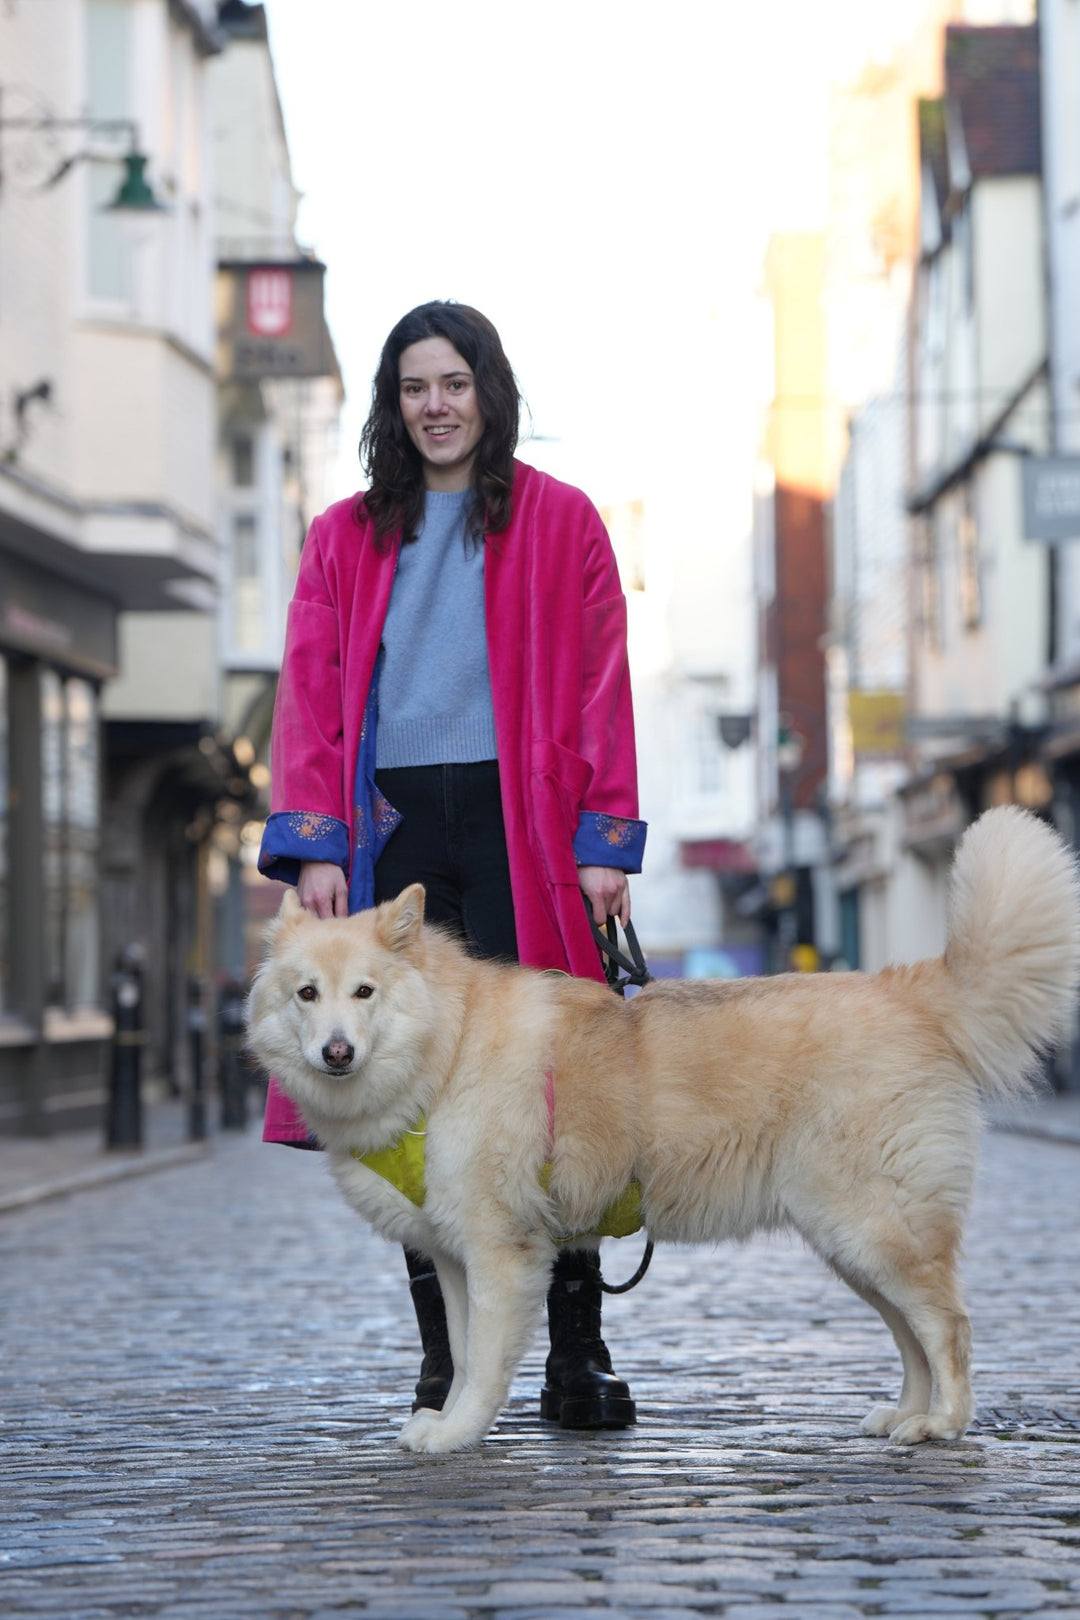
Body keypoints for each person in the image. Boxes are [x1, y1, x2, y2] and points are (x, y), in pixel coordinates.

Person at [257, 300, 647, 1430]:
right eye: (415, 387)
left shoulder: (564, 521)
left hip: (525, 829)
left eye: (454, 384)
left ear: (489, 393)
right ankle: (449, 1365)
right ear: (395, 403)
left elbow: (601, 684)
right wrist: (318, 850)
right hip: (393, 838)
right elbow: (312, 701)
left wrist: (603, 840)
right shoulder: (342, 536)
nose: (435, 406)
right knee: (405, 1090)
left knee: (555, 1091)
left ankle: (577, 1352)